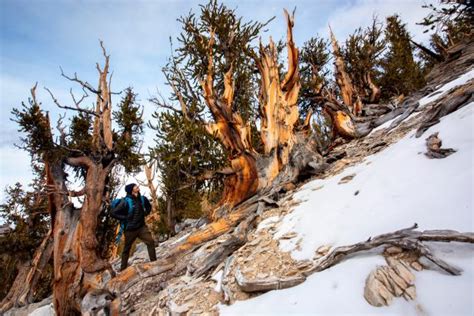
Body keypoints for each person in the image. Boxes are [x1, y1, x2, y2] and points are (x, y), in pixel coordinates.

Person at [111, 183, 157, 271]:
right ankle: (123, 269)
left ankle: (154, 262)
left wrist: (146, 213)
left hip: (141, 227)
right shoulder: (125, 201)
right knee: (126, 249)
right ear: (131, 190)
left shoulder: (142, 199)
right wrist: (124, 218)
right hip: (130, 229)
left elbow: (149, 206)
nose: (137, 187)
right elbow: (113, 213)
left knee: (150, 241)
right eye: (135, 186)